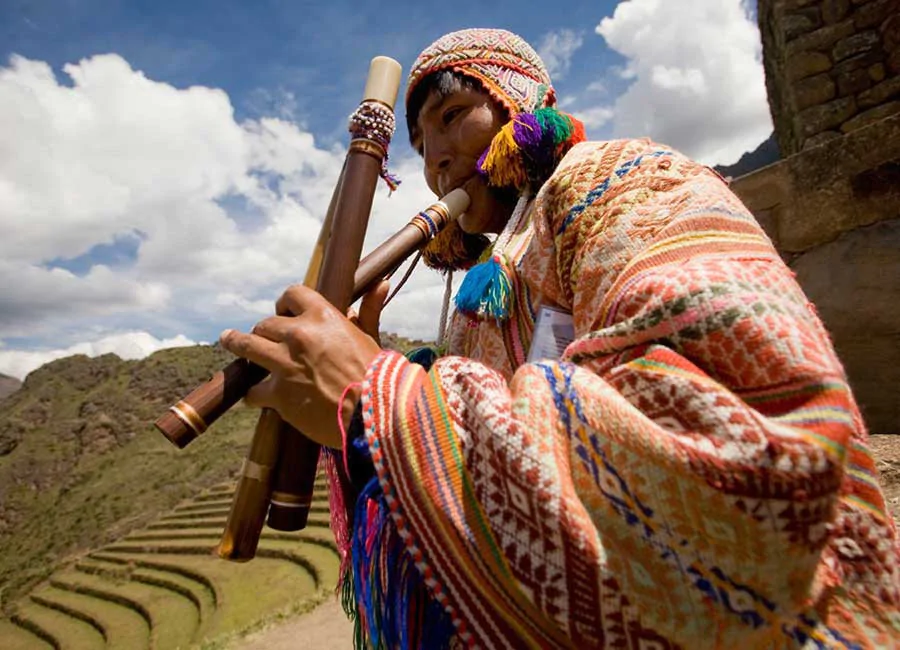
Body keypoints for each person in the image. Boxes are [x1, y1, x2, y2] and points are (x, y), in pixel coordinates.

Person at [220, 28, 900, 649]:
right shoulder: (479, 292)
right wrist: (374, 383)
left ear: (518, 102)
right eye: (422, 148)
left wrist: (385, 400)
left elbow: (730, 425)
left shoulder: (623, 180)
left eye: (451, 119)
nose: (437, 162)